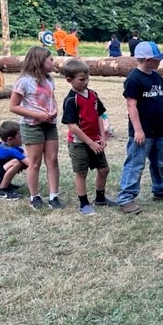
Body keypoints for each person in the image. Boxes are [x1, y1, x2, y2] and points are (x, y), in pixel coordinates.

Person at [117, 41, 163, 214]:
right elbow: (131, 105)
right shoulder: (134, 79)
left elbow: (160, 95)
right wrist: (138, 130)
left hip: (159, 128)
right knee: (135, 163)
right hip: (143, 130)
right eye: (157, 58)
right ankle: (126, 197)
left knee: (159, 161)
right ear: (147, 60)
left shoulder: (155, 75)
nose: (160, 61)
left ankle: (161, 188)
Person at [9, 46, 63, 210]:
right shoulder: (24, 81)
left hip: (49, 125)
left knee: (52, 160)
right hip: (32, 126)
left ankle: (54, 196)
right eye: (51, 59)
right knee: (35, 162)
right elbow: (13, 106)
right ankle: (35, 197)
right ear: (40, 61)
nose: (53, 62)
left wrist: (54, 110)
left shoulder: (49, 80)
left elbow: (51, 100)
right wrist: (36, 115)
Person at [61, 59, 115, 215]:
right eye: (81, 80)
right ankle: (83, 204)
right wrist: (90, 143)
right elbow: (72, 126)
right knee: (81, 173)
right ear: (69, 80)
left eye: (87, 79)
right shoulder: (71, 100)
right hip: (79, 143)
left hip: (96, 141)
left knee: (104, 169)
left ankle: (100, 198)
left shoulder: (93, 95)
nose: (86, 82)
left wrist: (102, 136)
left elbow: (99, 115)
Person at [0, 121, 28, 200]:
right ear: (10, 139)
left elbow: (24, 152)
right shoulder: (10, 150)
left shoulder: (4, 145)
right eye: (20, 136)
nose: (23, 138)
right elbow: (31, 163)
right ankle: (1, 190)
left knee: (18, 160)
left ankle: (5, 184)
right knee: (16, 162)